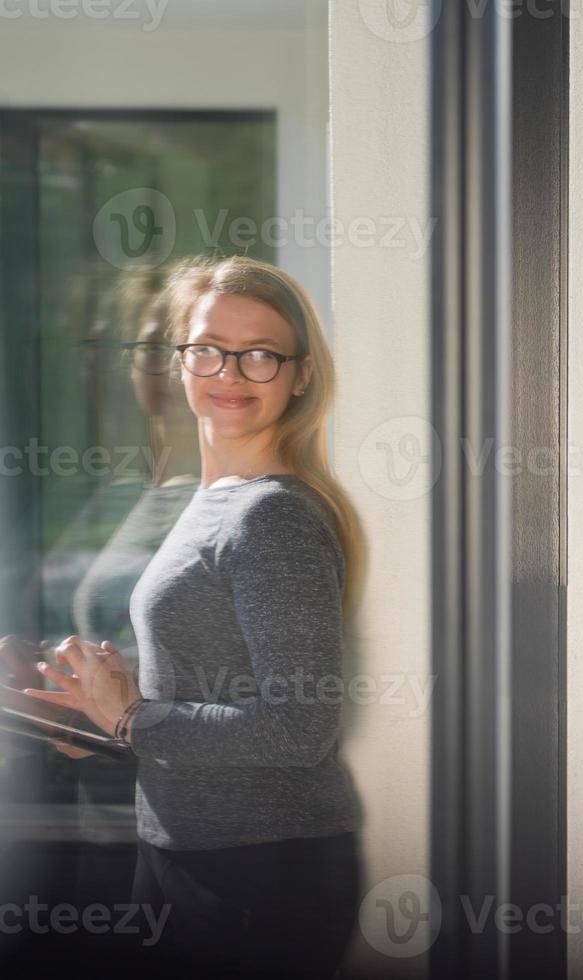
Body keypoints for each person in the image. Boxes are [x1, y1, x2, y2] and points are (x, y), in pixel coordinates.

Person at [23, 255, 368, 980]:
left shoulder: (269, 516)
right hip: (193, 857)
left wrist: (130, 721)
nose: (230, 373)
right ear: (181, 360)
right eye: (208, 349)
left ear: (302, 374)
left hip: (255, 878)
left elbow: (301, 726)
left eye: (260, 356)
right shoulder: (213, 501)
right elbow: (207, 695)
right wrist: (95, 717)